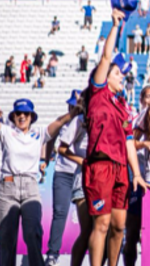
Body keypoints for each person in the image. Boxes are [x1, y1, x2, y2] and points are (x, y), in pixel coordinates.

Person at [0, 85, 77, 266]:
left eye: (26, 114)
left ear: (31, 117)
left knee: (33, 234)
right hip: (7, 188)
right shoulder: (6, 132)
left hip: (30, 187)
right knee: (7, 240)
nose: (22, 116)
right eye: (18, 113)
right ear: (13, 116)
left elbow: (60, 122)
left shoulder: (40, 133)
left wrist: (76, 111)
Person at [84, 8, 150, 266]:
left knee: (119, 226)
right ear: (104, 77)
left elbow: (129, 142)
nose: (121, 76)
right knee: (101, 223)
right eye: (117, 73)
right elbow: (105, 57)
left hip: (122, 169)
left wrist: (137, 173)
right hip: (100, 165)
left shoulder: (123, 105)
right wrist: (115, 27)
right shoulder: (97, 94)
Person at [45, 92, 83, 266]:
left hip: (83, 173)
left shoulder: (86, 121)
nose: (73, 108)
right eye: (71, 105)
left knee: (90, 216)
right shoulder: (63, 121)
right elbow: (50, 139)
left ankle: (93, 252)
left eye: (76, 105)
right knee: (60, 213)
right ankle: (53, 253)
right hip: (64, 172)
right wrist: (45, 161)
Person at [124, 86, 150, 266]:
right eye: (148, 97)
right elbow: (128, 144)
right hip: (135, 179)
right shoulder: (135, 119)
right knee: (132, 232)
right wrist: (144, 144)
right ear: (141, 99)